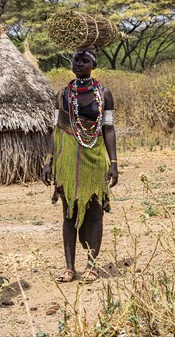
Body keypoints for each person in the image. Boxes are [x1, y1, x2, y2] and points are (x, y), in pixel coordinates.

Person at [41, 47, 118, 283]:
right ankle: (70, 267)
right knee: (68, 212)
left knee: (94, 212)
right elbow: (56, 130)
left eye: (85, 60)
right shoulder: (63, 94)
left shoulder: (104, 94)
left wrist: (113, 162)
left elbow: (108, 129)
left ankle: (92, 267)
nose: (79, 64)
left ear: (93, 64)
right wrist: (49, 160)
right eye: (76, 59)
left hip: (93, 157)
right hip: (66, 160)